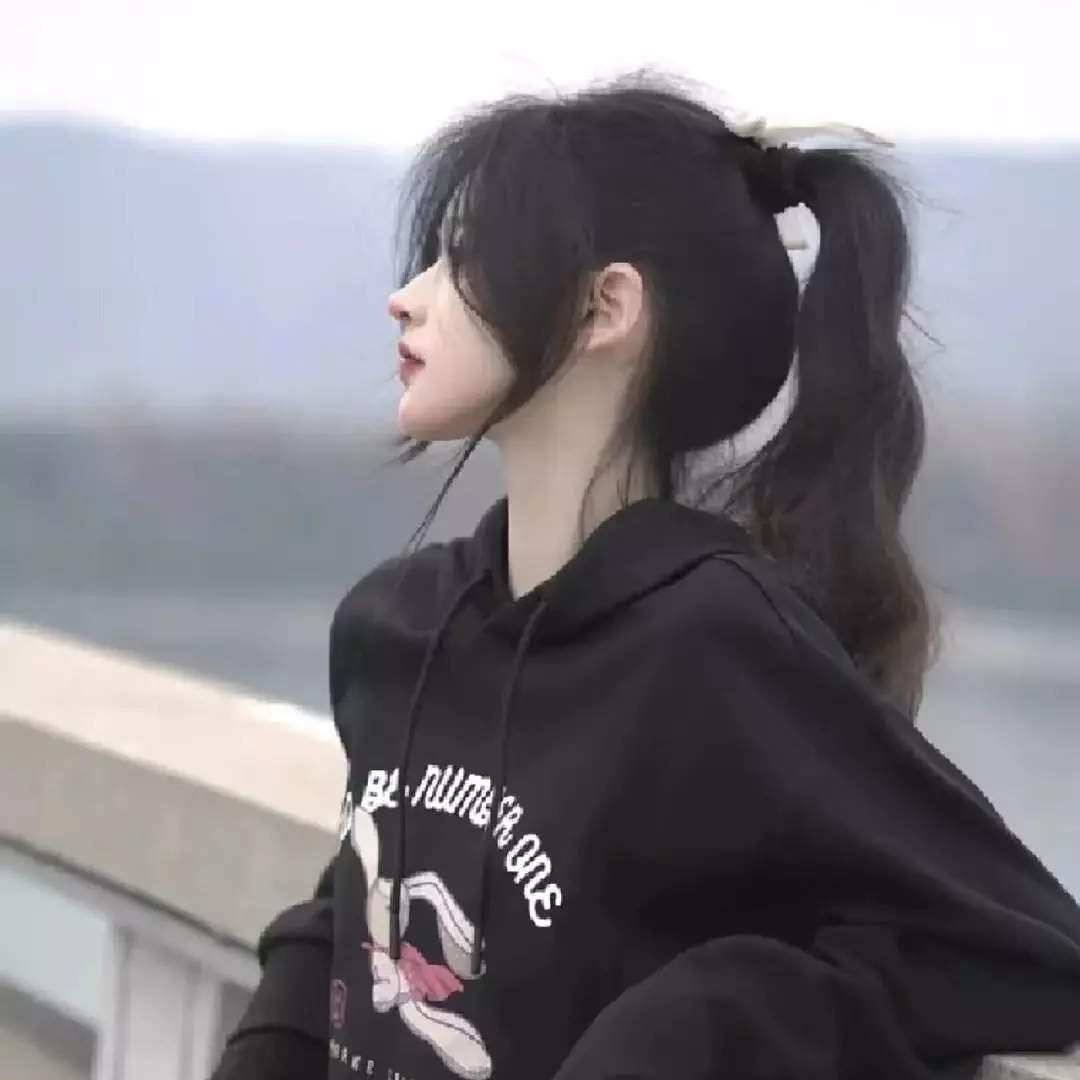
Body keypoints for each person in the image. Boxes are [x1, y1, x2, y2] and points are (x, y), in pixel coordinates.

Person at [211, 74, 1080, 1080]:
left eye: (465, 258)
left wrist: (710, 1016)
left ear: (604, 307)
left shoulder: (711, 646)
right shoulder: (397, 624)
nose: (407, 297)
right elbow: (365, 891)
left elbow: (1019, 949)